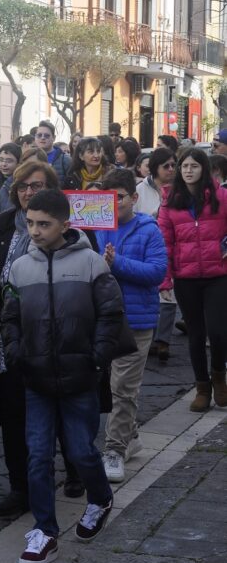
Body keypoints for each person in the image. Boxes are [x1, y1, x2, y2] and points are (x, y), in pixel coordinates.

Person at [1, 189, 124, 563]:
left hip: (79, 377)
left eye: (44, 224)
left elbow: (110, 313)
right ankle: (45, 531)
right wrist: (15, 353)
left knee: (81, 450)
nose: (35, 231)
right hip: (35, 378)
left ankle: (100, 497)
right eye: (31, 223)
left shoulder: (91, 264)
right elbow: (9, 316)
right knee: (37, 455)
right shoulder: (21, 267)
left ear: (64, 225)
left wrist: (97, 358)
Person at [0, 159, 59, 518]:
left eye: (38, 186)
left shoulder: (69, 233)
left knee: (52, 416)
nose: (30, 192)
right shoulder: (1, 229)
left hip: (53, 341)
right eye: (24, 186)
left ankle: (63, 474)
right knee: (13, 416)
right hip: (8, 340)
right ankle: (20, 487)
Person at [95, 169, 167, 483]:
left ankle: (114, 449)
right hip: (100, 317)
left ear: (133, 198)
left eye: (119, 197)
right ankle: (130, 436)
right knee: (108, 386)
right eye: (107, 198)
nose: (113, 203)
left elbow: (157, 272)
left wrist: (117, 263)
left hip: (136, 320)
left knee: (123, 388)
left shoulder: (149, 229)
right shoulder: (95, 226)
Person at [158, 148, 227, 412]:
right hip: (185, 277)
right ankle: (202, 387)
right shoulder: (170, 200)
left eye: (194, 166)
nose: (188, 170)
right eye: (184, 166)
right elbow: (164, 241)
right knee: (196, 334)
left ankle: (219, 374)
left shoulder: (222, 197)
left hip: (218, 275)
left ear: (204, 169)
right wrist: (165, 280)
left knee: (219, 332)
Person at [135, 148, 178, 362]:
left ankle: (163, 341)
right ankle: (149, 336)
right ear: (155, 169)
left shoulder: (181, 189)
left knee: (169, 295)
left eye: (173, 165)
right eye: (166, 166)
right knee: (149, 290)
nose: (171, 170)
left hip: (173, 245)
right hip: (147, 244)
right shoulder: (141, 189)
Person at [0, 142, 21, 216]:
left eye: (9, 161)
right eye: (1, 160)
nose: (4, 164)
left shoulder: (22, 183)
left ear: (18, 163)